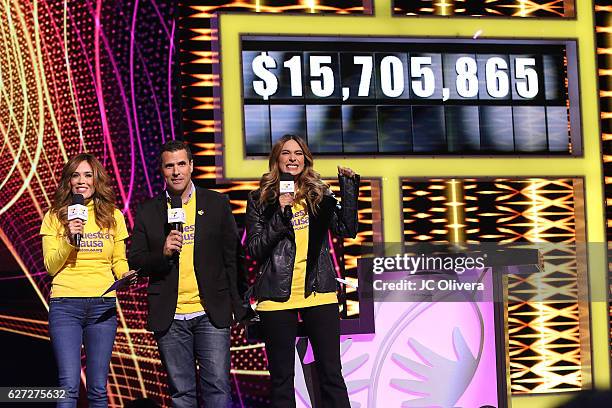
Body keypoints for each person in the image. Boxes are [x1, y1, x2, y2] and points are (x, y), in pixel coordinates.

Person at [129, 140, 246, 408]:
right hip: (170, 317)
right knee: (181, 394)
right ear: (162, 170)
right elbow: (136, 260)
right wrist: (164, 253)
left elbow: (233, 257)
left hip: (210, 313)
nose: (176, 171)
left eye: (182, 164)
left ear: (192, 166)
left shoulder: (216, 203)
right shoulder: (148, 211)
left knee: (217, 387)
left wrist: (238, 306)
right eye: (170, 166)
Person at [245, 134, 359, 408]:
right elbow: (255, 249)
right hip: (275, 297)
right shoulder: (260, 199)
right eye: (286, 153)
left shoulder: (319, 194)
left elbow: (348, 230)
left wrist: (348, 188)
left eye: (298, 153)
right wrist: (279, 216)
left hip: (319, 292)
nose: (293, 158)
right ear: (277, 159)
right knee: (282, 379)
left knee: (331, 373)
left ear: (305, 159)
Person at [40, 153, 135, 407]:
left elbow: (118, 260)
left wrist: (125, 274)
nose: (82, 181)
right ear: (68, 181)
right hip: (65, 305)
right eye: (75, 175)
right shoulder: (54, 216)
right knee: (68, 385)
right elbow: (50, 266)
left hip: (102, 306)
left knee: (98, 388)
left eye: (88, 175)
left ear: (97, 179)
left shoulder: (113, 216)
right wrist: (69, 240)